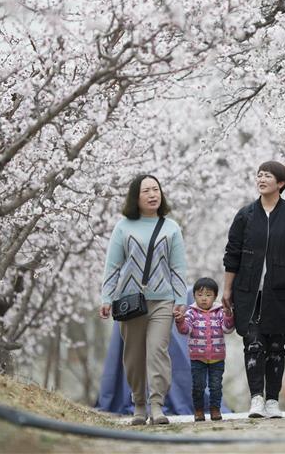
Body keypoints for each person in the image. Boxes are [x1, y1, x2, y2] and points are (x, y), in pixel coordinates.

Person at [99, 174, 188, 425]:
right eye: (146, 191)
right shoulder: (123, 226)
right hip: (130, 302)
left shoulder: (171, 227)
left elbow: (178, 267)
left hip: (163, 300)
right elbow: (113, 266)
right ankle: (139, 404)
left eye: (156, 189)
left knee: (158, 351)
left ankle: (157, 405)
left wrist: (180, 299)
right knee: (133, 355)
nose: (152, 194)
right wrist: (106, 297)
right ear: (135, 197)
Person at [222, 161, 285, 418]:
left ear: (281, 183)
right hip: (248, 291)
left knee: (277, 346)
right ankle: (256, 397)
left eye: (268, 175)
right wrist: (227, 289)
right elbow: (232, 254)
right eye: (259, 175)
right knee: (253, 345)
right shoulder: (245, 215)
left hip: (279, 290)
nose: (262, 179)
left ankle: (272, 401)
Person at [175, 277, 235, 421]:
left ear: (215, 296)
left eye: (208, 295)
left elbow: (227, 329)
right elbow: (185, 330)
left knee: (215, 386)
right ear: (194, 295)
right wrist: (180, 320)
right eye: (200, 295)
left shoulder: (220, 312)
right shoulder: (191, 313)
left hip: (217, 357)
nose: (203, 299)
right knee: (198, 386)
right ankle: (199, 410)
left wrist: (228, 315)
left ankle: (215, 409)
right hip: (197, 357)